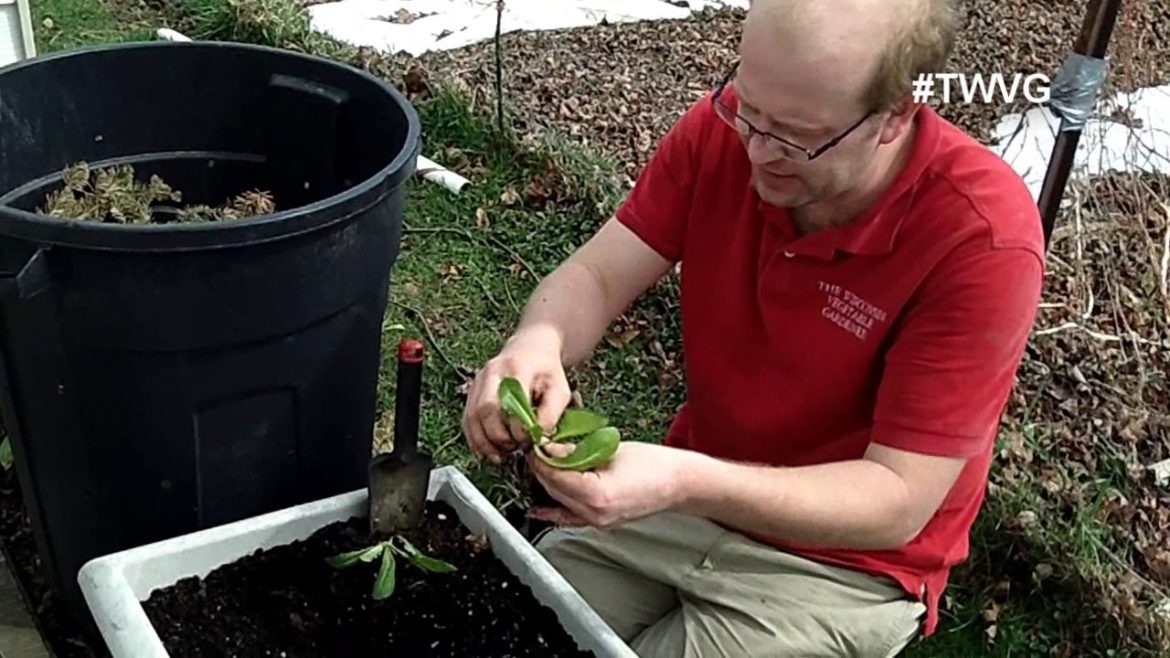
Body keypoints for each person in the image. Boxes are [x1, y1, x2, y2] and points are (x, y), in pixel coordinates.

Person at [461, 0, 1046, 654]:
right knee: (503, 619)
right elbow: (598, 275)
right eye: (747, 107)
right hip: (690, 501)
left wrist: (681, 478)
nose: (758, 149)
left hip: (844, 566)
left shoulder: (979, 238)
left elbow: (898, 499)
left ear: (896, 116)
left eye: (796, 135)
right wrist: (537, 341)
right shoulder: (723, 136)